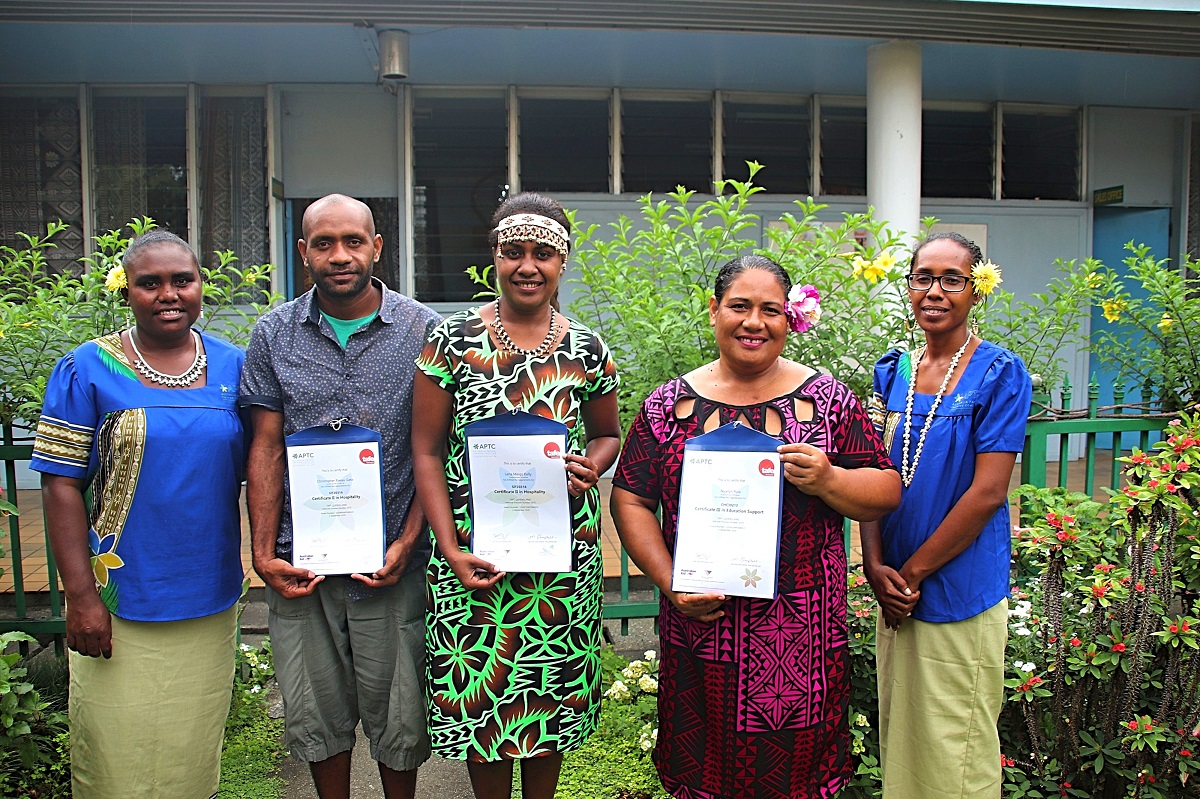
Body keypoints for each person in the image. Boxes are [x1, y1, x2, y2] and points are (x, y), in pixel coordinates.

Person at [610, 254, 901, 799]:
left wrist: (828, 479)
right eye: (739, 306)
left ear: (790, 320)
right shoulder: (668, 405)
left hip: (799, 639)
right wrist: (670, 580)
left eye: (770, 310)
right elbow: (629, 498)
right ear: (715, 311)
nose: (754, 321)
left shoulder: (828, 402)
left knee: (796, 778)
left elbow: (885, 490)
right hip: (700, 626)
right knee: (702, 774)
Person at [411, 191, 621, 799]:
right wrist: (449, 548)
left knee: (548, 698)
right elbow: (426, 448)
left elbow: (607, 435)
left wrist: (591, 466)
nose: (528, 266)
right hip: (475, 558)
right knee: (483, 699)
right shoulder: (451, 340)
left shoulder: (587, 348)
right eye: (514, 252)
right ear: (495, 259)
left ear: (563, 263)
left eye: (543, 254)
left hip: (560, 560)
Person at [239, 194, 441, 799]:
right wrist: (263, 550)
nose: (340, 255)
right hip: (302, 562)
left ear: (377, 247)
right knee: (315, 712)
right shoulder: (274, 333)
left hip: (390, 563)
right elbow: (267, 446)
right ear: (304, 253)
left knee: (399, 712)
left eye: (354, 241)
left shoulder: (425, 331)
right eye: (323, 243)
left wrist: (408, 541)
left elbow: (432, 446)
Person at [32, 230, 245, 798]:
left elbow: (267, 467)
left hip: (208, 593)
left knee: (188, 755)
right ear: (128, 290)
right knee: (116, 758)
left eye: (182, 280)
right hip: (118, 599)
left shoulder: (236, 367)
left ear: (202, 286)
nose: (168, 294)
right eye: (149, 283)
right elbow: (60, 487)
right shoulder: (87, 368)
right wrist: (80, 597)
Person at [860, 232, 1032, 799]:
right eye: (922, 277)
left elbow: (987, 493)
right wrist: (875, 566)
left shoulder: (998, 374)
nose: (934, 291)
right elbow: (871, 475)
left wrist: (910, 576)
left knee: (957, 744)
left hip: (956, 587)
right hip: (895, 588)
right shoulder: (894, 372)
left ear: (975, 290)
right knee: (905, 739)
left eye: (952, 279)